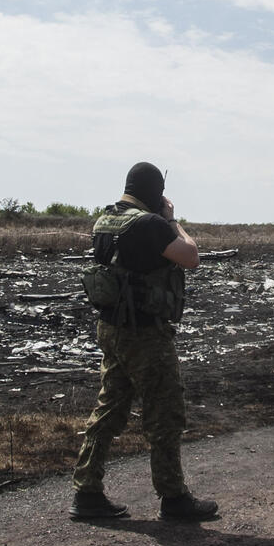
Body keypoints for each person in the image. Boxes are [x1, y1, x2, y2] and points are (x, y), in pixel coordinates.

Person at [70, 163, 219, 522]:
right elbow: (190, 257)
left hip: (111, 329)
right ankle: (173, 497)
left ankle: (87, 491)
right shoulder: (150, 224)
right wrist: (171, 219)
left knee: (110, 407)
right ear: (155, 190)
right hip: (146, 333)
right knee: (164, 412)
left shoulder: (104, 221)